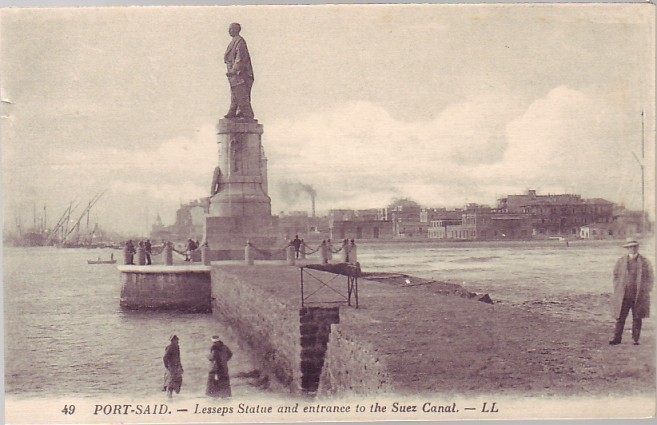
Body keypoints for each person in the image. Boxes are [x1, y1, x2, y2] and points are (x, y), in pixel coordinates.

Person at [609, 238, 653, 345]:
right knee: (620, 317)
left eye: (634, 247)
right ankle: (617, 338)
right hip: (623, 295)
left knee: (637, 317)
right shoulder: (621, 261)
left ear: (637, 248)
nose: (632, 249)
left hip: (638, 295)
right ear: (627, 249)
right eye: (630, 247)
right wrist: (618, 289)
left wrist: (646, 291)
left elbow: (650, 278)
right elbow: (615, 276)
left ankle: (635, 339)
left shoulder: (645, 262)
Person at [224, 22, 255, 119]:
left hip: (240, 73)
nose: (229, 31)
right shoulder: (234, 41)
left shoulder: (240, 41)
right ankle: (233, 111)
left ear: (236, 30)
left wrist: (234, 70)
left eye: (231, 29)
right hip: (234, 74)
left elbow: (240, 57)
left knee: (240, 92)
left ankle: (246, 114)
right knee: (235, 92)